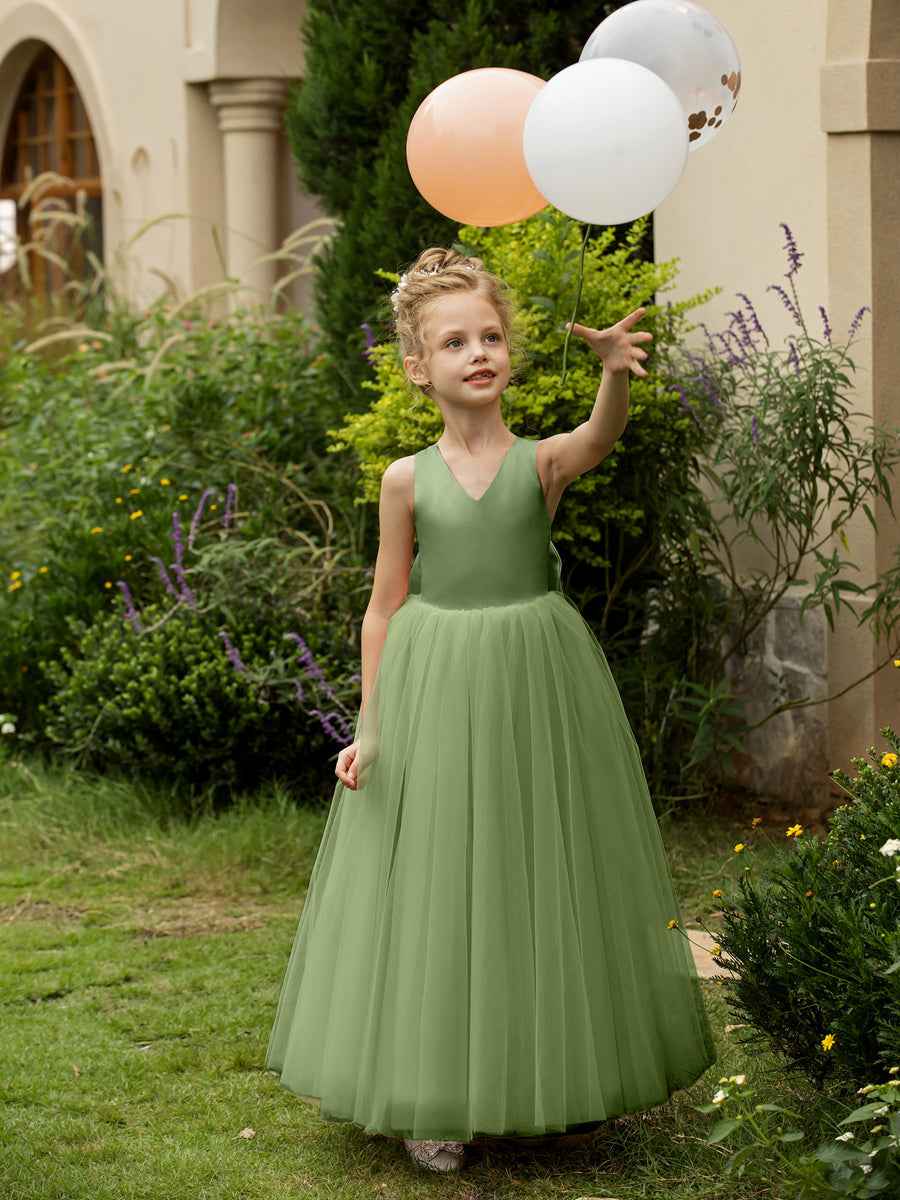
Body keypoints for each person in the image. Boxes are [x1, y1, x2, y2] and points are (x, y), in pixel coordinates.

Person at [266, 247, 716, 1174]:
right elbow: (384, 605)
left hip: (534, 680)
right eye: (455, 341)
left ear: (509, 352)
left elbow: (600, 439)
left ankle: (548, 1077)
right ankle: (436, 1089)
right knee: (439, 877)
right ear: (416, 367)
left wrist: (611, 376)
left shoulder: (539, 462)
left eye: (492, 336)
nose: (479, 352)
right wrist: (371, 727)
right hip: (434, 681)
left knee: (535, 866)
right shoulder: (406, 480)